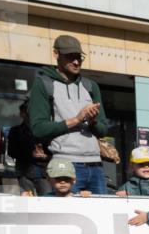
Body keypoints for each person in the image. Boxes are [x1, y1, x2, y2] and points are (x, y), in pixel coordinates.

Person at [28, 34, 111, 194]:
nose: (76, 61)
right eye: (70, 57)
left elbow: (103, 130)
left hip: (96, 165)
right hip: (64, 165)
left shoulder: (91, 86)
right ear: (56, 54)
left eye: (79, 57)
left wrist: (93, 122)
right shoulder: (44, 84)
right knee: (65, 217)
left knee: (101, 216)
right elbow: (38, 128)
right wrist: (77, 119)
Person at [8, 100, 52, 196]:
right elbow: (11, 152)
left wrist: (45, 156)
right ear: (22, 113)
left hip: (43, 173)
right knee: (26, 201)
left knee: (47, 199)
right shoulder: (15, 131)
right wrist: (30, 155)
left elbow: (53, 151)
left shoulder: (45, 130)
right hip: (24, 172)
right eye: (26, 112)